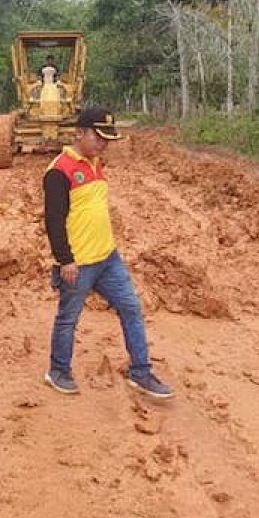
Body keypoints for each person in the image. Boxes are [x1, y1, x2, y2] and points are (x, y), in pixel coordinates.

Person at [42, 107, 175, 399]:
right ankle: (58, 371)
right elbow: (53, 221)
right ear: (79, 133)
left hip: (108, 259)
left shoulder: (95, 163)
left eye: (107, 139)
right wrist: (65, 260)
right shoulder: (58, 171)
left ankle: (140, 371)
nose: (104, 144)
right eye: (98, 137)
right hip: (78, 264)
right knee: (68, 319)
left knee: (131, 308)